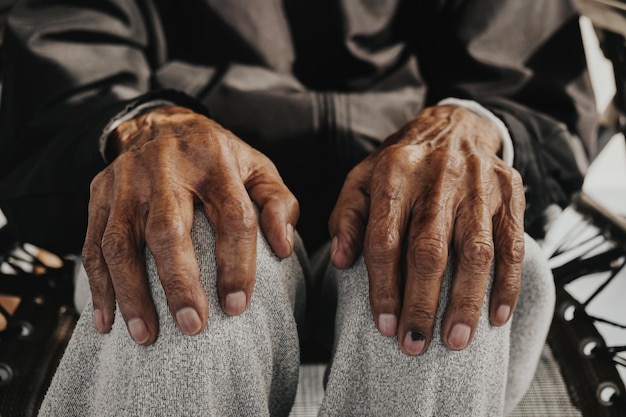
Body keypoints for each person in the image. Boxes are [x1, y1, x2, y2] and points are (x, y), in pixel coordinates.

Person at [0, 0, 596, 415]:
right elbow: (68, 53)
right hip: (204, 174)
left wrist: (471, 125)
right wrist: (148, 127)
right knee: (186, 254)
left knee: (437, 247)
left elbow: (523, 73)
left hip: (395, 169)